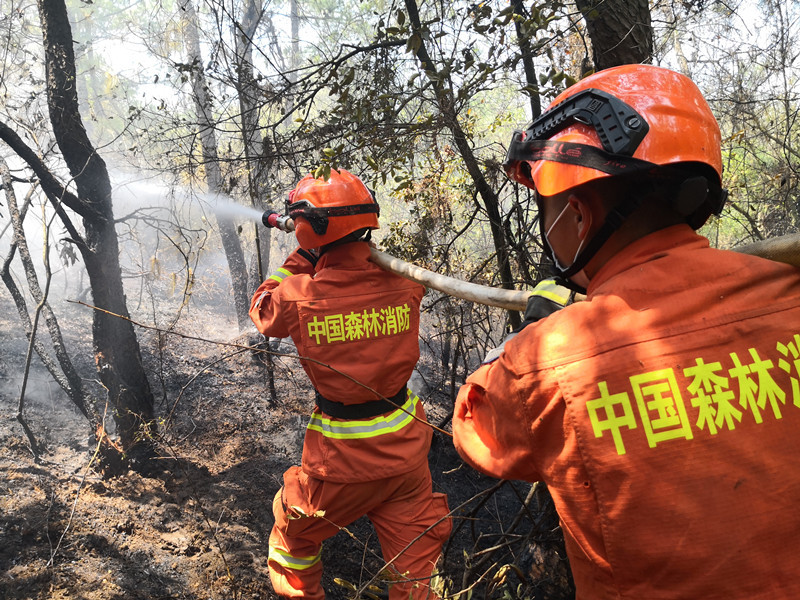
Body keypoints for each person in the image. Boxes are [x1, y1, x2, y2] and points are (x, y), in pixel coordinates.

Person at [452, 64, 800, 598]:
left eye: (546, 210)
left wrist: (539, 329)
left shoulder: (549, 359)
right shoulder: (788, 295)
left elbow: (475, 431)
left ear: (578, 215)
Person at [250, 169, 451, 600]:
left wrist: (298, 260)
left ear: (305, 231)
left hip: (341, 464)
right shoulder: (406, 281)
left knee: (292, 539)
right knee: (415, 570)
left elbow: (265, 313)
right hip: (408, 456)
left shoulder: (299, 294)